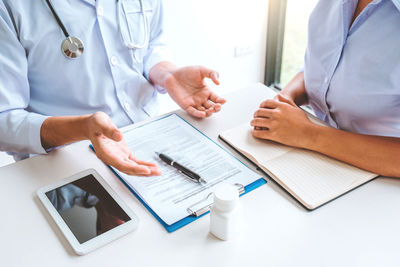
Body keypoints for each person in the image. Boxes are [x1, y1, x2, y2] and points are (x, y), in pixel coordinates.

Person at [0, 0, 226, 176]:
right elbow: (4, 120)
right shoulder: (10, 7)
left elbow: (152, 45)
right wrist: (82, 128)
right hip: (69, 165)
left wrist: (168, 74)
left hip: (152, 139)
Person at [251, 0, 400, 177]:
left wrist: (307, 133)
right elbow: (326, 72)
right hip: (319, 159)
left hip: (378, 183)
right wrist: (285, 98)